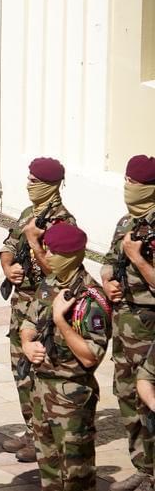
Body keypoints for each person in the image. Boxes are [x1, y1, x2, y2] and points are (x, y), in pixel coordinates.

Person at [21, 223, 111, 491]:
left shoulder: (90, 298)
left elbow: (90, 357)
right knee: (48, 469)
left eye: (53, 252)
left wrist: (60, 319)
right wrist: (27, 344)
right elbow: (28, 322)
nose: (46, 256)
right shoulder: (50, 284)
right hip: (41, 389)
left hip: (71, 395)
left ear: (71, 256)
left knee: (75, 475)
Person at [0, 157, 77, 462]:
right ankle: (32, 429)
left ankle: (45, 436)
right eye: (28, 179)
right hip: (22, 305)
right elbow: (8, 244)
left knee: (40, 371)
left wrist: (34, 243)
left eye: (34, 181)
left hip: (45, 307)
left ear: (50, 185)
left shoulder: (63, 223)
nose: (28, 185)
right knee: (21, 370)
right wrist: (8, 267)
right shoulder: (28, 213)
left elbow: (58, 272)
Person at [104, 154, 155, 491]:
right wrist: (108, 279)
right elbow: (108, 260)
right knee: (125, 394)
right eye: (126, 181)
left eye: (133, 183)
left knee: (147, 395)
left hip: (149, 323)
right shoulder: (126, 223)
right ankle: (143, 465)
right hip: (124, 320)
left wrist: (137, 256)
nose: (127, 188)